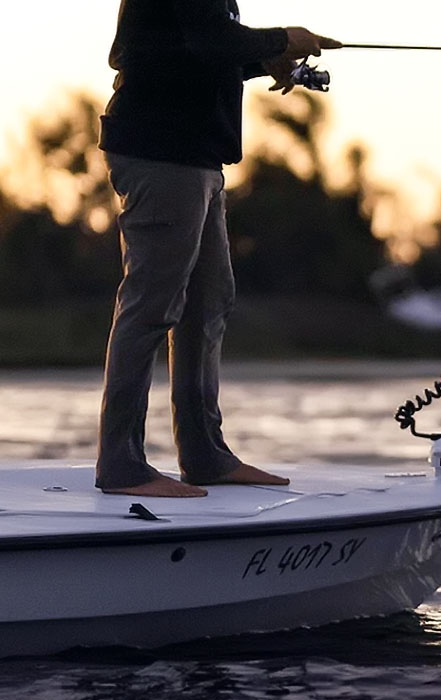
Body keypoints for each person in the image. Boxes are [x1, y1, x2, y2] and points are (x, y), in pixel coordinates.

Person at [96, 0, 341, 497]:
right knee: (151, 305)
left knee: (207, 303)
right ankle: (121, 465)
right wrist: (282, 39)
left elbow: (194, 50)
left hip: (198, 158)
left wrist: (266, 59)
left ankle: (205, 456)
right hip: (162, 154)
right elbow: (209, 40)